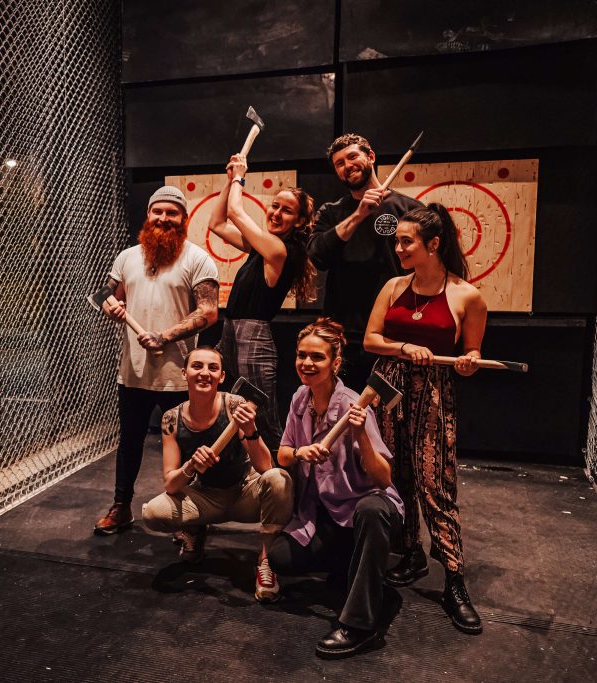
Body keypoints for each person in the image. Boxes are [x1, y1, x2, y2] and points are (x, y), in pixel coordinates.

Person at [364, 204, 487, 634]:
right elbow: (371, 339)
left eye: (406, 241)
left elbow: (470, 352)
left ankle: (454, 579)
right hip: (389, 388)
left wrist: (468, 362)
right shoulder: (394, 286)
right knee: (395, 476)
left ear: (433, 245)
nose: (398, 248)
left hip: (434, 393)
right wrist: (402, 348)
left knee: (435, 482)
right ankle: (411, 554)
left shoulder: (466, 295)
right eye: (396, 240)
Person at [270, 318, 404, 659]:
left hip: (366, 513)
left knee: (371, 509)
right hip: (327, 515)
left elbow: (383, 479)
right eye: (302, 355)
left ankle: (360, 625)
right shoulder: (300, 398)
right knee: (280, 557)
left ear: (335, 363)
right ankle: (363, 576)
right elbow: (283, 454)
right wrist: (301, 452)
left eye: (317, 357)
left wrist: (360, 436)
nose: (307, 363)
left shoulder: (353, 405)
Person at [93, 185, 218, 535]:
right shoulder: (127, 257)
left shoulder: (197, 259)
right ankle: (121, 507)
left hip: (179, 374)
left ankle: (187, 515)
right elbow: (107, 295)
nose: (163, 218)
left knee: (185, 446)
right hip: (132, 372)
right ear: (148, 215)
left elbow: (208, 312)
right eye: (157, 211)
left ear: (184, 219)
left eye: (171, 213)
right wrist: (110, 305)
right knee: (129, 441)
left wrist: (164, 336)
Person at [140, 347, 293, 602]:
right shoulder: (171, 419)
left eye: (213, 368)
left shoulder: (235, 405)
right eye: (197, 366)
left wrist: (251, 430)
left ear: (222, 377)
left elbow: (267, 466)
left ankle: (265, 562)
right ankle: (195, 530)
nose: (204, 373)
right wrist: (191, 466)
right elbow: (171, 483)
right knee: (152, 513)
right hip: (206, 498)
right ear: (184, 372)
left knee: (280, 479)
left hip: (245, 493)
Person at [206, 153, 317, 454]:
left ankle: (283, 480)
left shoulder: (280, 250)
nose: (277, 213)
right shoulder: (262, 247)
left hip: (253, 337)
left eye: (288, 211)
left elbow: (236, 214)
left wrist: (240, 177)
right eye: (275, 206)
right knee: (235, 408)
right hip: (231, 330)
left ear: (301, 222)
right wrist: (231, 182)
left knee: (261, 415)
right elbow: (216, 223)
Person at [307, 133, 424, 389]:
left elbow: (427, 266)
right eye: (339, 163)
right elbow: (318, 256)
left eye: (352, 157)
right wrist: (359, 215)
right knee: (345, 413)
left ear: (370, 157)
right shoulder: (331, 212)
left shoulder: (410, 209)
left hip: (392, 333)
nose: (347, 166)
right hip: (345, 334)